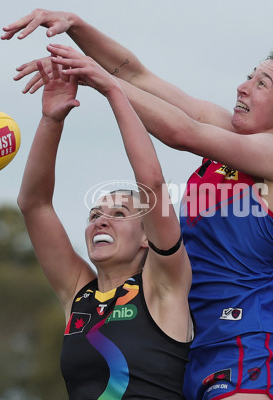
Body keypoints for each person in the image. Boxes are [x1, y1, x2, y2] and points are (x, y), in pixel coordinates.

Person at [4, 10, 273, 399]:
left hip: (246, 345)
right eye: (249, 74)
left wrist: (98, 80)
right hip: (190, 348)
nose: (242, 87)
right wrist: (77, 27)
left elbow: (181, 132)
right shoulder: (227, 133)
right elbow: (137, 76)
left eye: (261, 82)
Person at [16, 49, 193, 399]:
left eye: (119, 214)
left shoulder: (164, 286)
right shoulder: (79, 293)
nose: (101, 221)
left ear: (147, 239)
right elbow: (34, 205)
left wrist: (113, 90)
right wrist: (52, 120)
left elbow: (152, 183)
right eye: (95, 214)